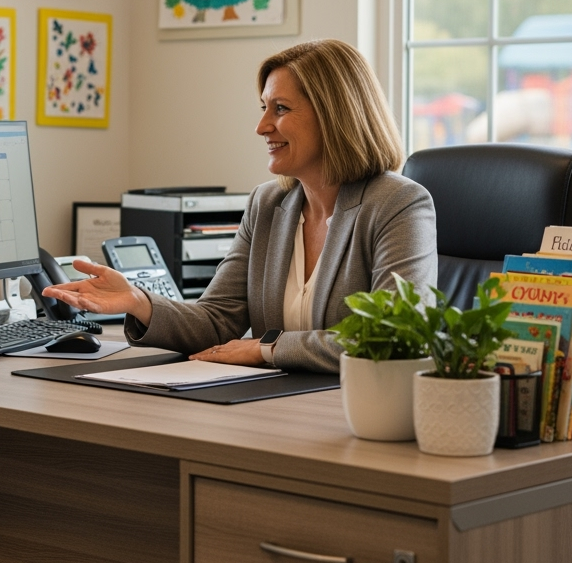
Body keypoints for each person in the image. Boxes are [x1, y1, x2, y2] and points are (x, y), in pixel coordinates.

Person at [44, 39, 437, 373]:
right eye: (263, 108)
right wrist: (138, 301)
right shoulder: (268, 204)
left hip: (353, 412)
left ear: (335, 116)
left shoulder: (398, 204)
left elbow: (396, 337)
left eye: (280, 109)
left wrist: (265, 348)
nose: (262, 126)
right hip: (269, 407)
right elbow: (217, 319)